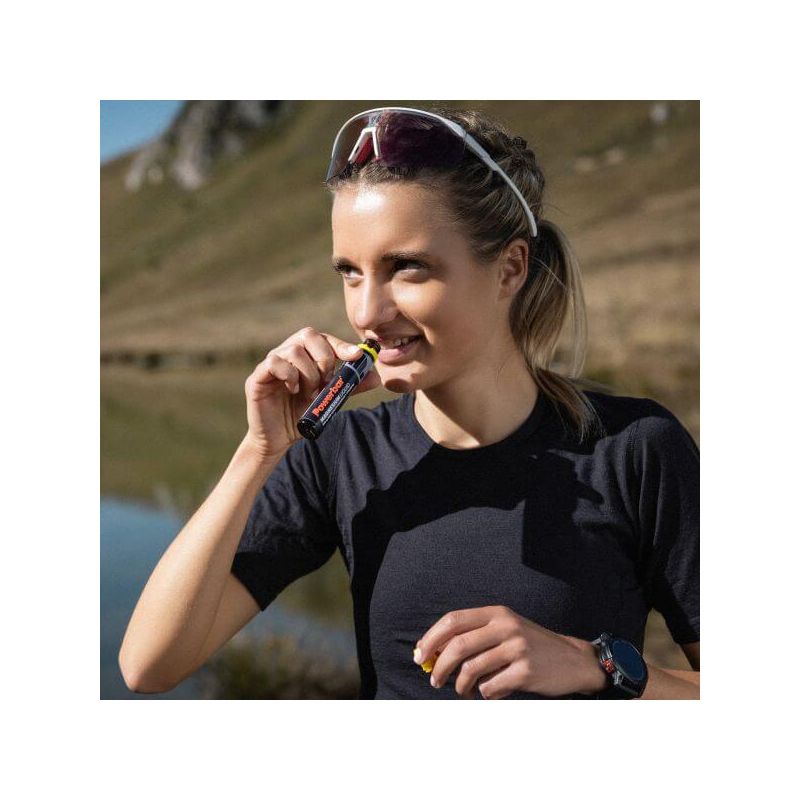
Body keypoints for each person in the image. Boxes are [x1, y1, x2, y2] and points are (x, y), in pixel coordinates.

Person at [119, 105, 699, 699]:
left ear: (510, 269)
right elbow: (149, 665)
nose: (367, 312)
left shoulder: (637, 450)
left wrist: (598, 667)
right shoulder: (340, 458)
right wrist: (258, 451)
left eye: (407, 268)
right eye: (350, 272)